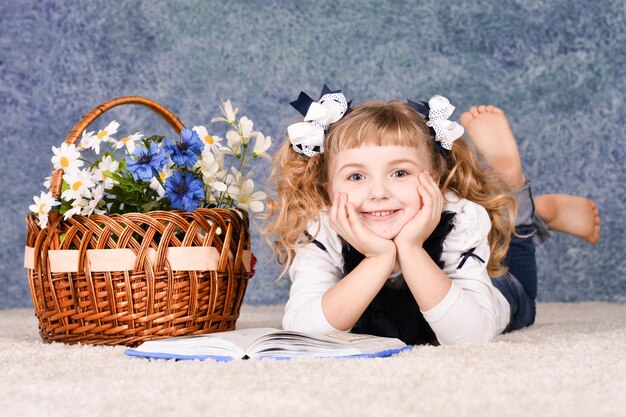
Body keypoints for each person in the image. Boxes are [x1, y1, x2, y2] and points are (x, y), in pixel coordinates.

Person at [263, 86, 601, 346]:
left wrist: (410, 250)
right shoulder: (321, 227)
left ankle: (513, 195)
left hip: (483, 291)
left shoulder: (459, 216)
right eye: (356, 176)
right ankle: (512, 205)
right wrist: (379, 258)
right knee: (495, 221)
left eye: (400, 174)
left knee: (521, 294)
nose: (378, 192)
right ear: (326, 187)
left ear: (435, 182)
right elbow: (303, 330)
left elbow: (471, 336)